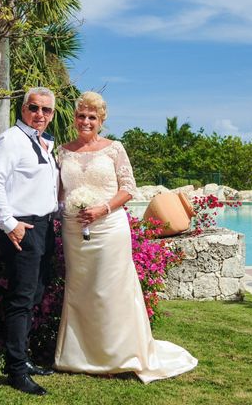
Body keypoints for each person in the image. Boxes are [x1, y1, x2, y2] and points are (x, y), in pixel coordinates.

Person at [54, 91, 197, 383]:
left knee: (111, 290)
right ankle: (79, 356)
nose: (85, 121)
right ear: (74, 118)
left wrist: (102, 209)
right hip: (74, 231)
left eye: (92, 116)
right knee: (80, 291)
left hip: (109, 228)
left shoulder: (114, 149)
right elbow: (58, 192)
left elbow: (129, 188)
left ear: (101, 120)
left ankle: (120, 354)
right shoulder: (63, 151)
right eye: (81, 115)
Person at [0, 87, 59, 395]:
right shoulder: (11, 140)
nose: (40, 115)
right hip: (22, 228)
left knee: (36, 294)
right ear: (23, 108)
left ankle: (22, 359)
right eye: (34, 108)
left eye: (46, 110)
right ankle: (15, 370)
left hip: (44, 226)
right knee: (22, 299)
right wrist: (8, 223)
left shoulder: (42, 143)